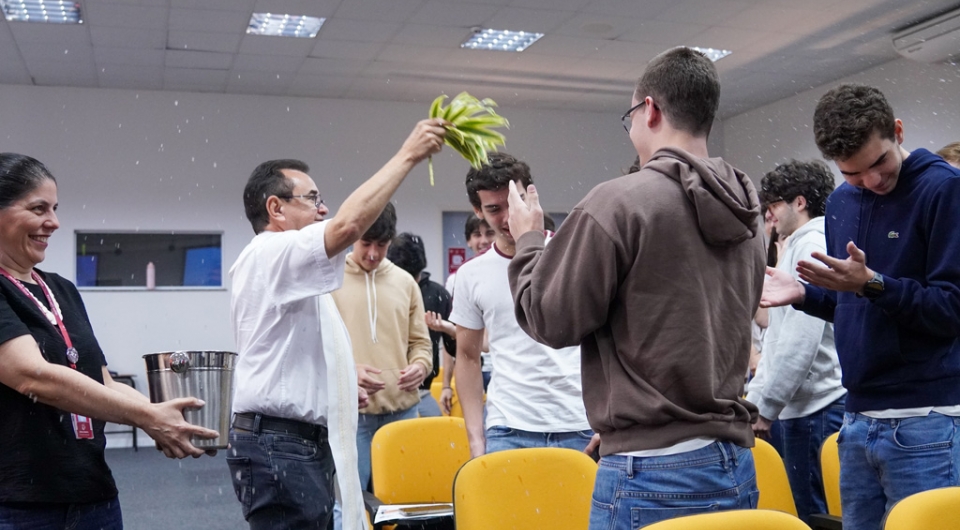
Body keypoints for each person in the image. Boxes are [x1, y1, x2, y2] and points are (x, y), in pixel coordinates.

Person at [506, 47, 765, 529]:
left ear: (650, 109)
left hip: (651, 474)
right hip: (731, 461)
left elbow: (549, 319)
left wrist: (528, 241)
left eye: (630, 119)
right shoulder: (748, 211)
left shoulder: (619, 203)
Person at [761, 84, 960, 530]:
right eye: (853, 173)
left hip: (926, 419)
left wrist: (873, 283)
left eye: (879, 163)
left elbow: (951, 308)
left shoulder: (944, 190)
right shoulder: (840, 203)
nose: (872, 181)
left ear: (898, 132)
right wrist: (806, 295)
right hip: (856, 420)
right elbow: (852, 306)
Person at [228, 120, 444, 530]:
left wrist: (342, 378)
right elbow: (348, 226)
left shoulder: (285, 266)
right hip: (279, 442)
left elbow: (293, 351)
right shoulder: (272, 252)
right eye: (312, 199)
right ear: (275, 208)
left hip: (291, 440)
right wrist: (409, 154)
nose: (322, 209)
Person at [0, 152, 218, 530]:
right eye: (38, 208)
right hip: (19, 505)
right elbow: (31, 376)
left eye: (54, 208)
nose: (54, 222)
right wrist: (147, 417)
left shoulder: (62, 290)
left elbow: (104, 382)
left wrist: (167, 415)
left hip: (93, 496)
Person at [450, 151, 592, 459]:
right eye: (494, 208)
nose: (507, 217)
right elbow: (468, 356)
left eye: (514, 202)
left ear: (530, 196)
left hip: (579, 423)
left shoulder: (570, 252)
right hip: (508, 427)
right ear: (478, 210)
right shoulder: (470, 274)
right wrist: (475, 438)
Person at [746, 159, 846, 524]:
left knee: (813, 517)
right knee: (805, 512)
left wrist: (767, 406)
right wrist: (757, 401)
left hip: (815, 410)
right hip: (803, 409)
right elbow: (778, 339)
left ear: (800, 202)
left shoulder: (811, 246)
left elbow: (800, 342)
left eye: (774, 204)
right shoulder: (799, 246)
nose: (769, 215)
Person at [331, 203, 432, 494]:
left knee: (405, 501)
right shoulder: (331, 280)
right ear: (353, 237)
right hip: (352, 413)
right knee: (348, 503)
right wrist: (348, 371)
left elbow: (421, 343)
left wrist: (421, 365)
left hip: (403, 411)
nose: (373, 253)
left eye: (382, 244)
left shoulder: (406, 283)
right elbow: (316, 348)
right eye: (366, 243)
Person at [387, 231, 455, 418]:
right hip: (384, 392)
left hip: (423, 392)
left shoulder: (438, 294)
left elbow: (454, 348)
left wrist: (447, 386)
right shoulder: (381, 292)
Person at [437, 214, 495, 412]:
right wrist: (446, 385)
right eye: (477, 235)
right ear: (469, 241)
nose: (484, 240)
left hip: (502, 370)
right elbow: (451, 335)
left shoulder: (510, 272)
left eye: (490, 233)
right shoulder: (457, 280)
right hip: (472, 368)